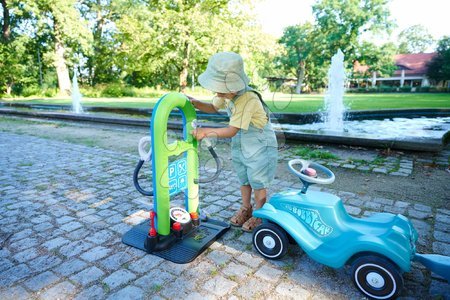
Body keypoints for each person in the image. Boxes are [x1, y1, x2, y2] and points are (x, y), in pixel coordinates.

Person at [187, 51, 278, 232]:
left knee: (258, 182)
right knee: (244, 178)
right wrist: (196, 103)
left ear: (233, 86)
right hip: (241, 143)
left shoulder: (247, 99)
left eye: (218, 86)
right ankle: (246, 208)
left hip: (260, 145)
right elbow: (213, 107)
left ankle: (259, 215)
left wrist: (206, 132)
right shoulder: (225, 94)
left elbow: (231, 130)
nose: (215, 90)